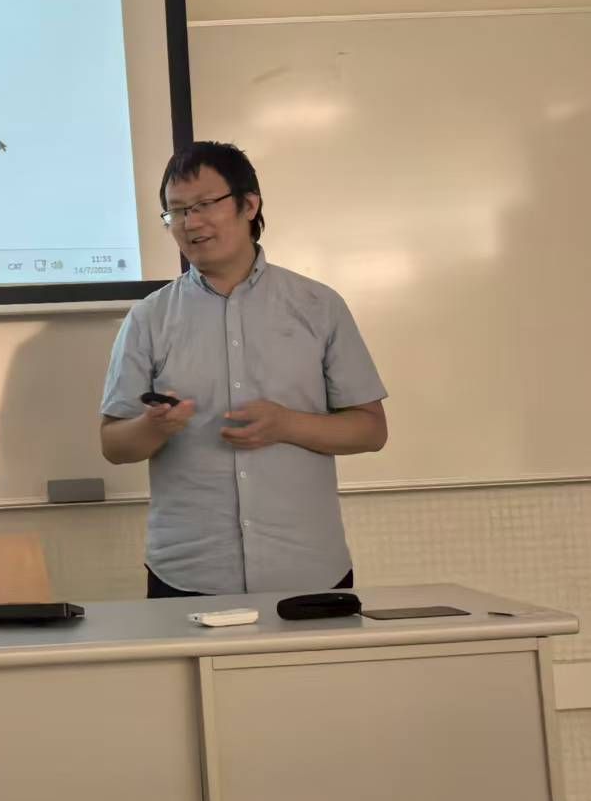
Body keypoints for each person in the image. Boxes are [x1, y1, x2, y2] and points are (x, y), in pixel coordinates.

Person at [99, 141, 388, 597]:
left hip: (308, 569)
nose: (190, 223)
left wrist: (287, 424)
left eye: (203, 205)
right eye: (176, 212)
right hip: (188, 573)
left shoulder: (319, 306)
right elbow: (113, 444)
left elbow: (371, 430)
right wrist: (153, 427)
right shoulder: (149, 318)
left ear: (249, 205)